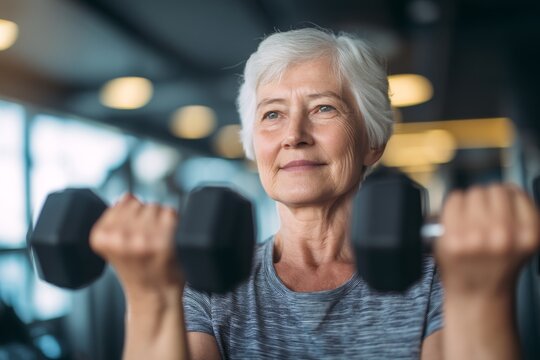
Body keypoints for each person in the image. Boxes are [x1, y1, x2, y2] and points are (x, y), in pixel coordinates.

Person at [90, 28, 540, 359]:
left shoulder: (435, 279)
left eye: (323, 108)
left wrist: (483, 296)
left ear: (372, 141)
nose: (294, 135)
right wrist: (149, 299)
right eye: (272, 115)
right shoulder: (211, 286)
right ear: (254, 147)